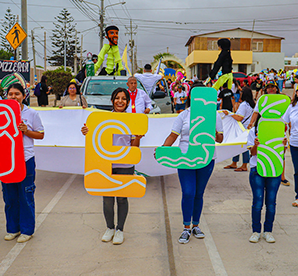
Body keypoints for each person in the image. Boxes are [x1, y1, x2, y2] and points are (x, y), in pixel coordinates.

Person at [159, 82, 224, 244]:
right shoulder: (184, 115)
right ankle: (186, 227)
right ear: (192, 97)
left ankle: (196, 225)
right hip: (185, 158)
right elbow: (173, 135)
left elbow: (220, 139)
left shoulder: (214, 115)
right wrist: (163, 150)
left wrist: (211, 132)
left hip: (206, 158)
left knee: (199, 193)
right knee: (188, 192)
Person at [81, 88, 143, 245]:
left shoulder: (132, 120)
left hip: (125, 163)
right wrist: (87, 131)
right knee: (107, 198)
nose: (120, 101)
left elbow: (135, 146)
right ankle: (109, 228)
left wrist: (137, 136)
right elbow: (93, 137)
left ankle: (120, 229)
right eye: (117, 98)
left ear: (128, 102)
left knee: (122, 198)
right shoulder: (102, 119)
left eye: (123, 98)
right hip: (105, 163)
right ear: (112, 100)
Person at [0, 83, 45, 243]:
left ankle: (27, 229)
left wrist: (26, 130)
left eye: (17, 94)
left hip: (26, 159)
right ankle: (13, 228)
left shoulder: (31, 113)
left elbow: (41, 135)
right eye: (10, 94)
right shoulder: (0, 113)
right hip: (6, 160)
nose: (13, 97)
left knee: (25, 195)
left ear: (23, 96)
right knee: (9, 197)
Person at [247, 113, 288, 243]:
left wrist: (283, 144)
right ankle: (256, 231)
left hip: (274, 170)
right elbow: (252, 153)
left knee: (271, 203)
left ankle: (268, 231)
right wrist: (256, 145)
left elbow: (282, 152)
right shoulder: (254, 132)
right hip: (257, 169)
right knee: (257, 202)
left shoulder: (280, 131)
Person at [246, 81, 291, 186]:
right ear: (265, 89)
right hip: (265, 127)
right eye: (268, 87)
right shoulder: (262, 100)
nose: (271, 89)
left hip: (279, 127)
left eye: (273, 87)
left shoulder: (282, 99)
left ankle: (282, 176)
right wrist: (251, 123)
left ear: (276, 88)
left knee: (279, 151)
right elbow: (256, 112)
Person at [223, 87, 255, 172]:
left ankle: (244, 165)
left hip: (241, 128)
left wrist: (229, 114)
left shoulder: (244, 105)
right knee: (239, 145)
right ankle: (235, 162)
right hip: (247, 127)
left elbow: (239, 117)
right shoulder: (252, 104)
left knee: (243, 147)